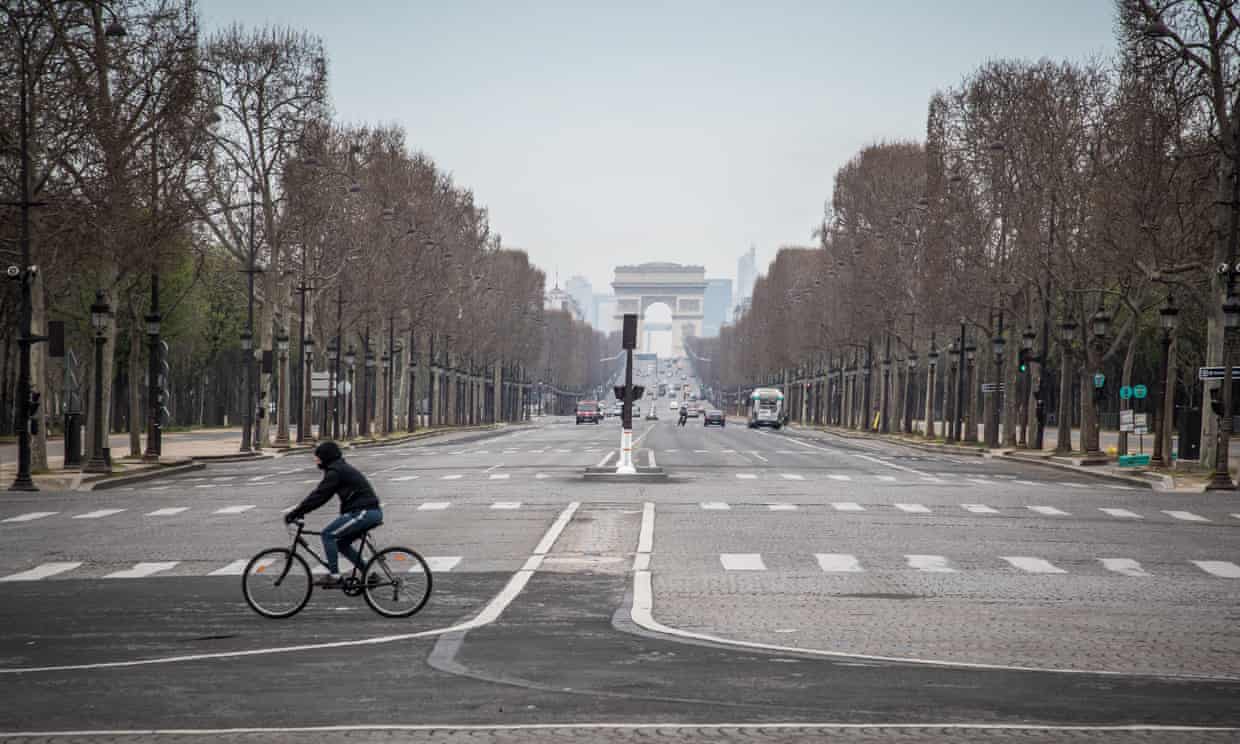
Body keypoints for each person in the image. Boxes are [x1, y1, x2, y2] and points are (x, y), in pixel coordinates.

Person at [284, 441, 383, 588]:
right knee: (341, 544)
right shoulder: (338, 469)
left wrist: (296, 512)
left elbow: (320, 496)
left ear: (326, 456)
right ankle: (369, 574)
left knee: (327, 534)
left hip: (364, 512)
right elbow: (321, 497)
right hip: (367, 512)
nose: (316, 460)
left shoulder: (335, 472)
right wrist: (302, 511)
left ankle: (334, 576)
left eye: (317, 457)